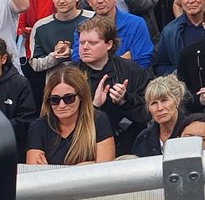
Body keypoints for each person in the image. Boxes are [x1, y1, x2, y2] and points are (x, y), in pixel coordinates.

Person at [75, 15, 152, 153]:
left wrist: (125, 100)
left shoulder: (131, 70)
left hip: (129, 146)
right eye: (82, 43)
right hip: (85, 147)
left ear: (109, 44)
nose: (85, 47)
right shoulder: (70, 75)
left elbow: (151, 111)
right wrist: (94, 106)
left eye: (92, 43)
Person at [25, 65, 116, 165]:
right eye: (54, 100)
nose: (62, 105)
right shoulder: (38, 127)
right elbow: (35, 174)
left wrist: (50, 171)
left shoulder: (98, 121)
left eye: (69, 98)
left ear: (81, 96)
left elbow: (105, 171)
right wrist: (86, 165)